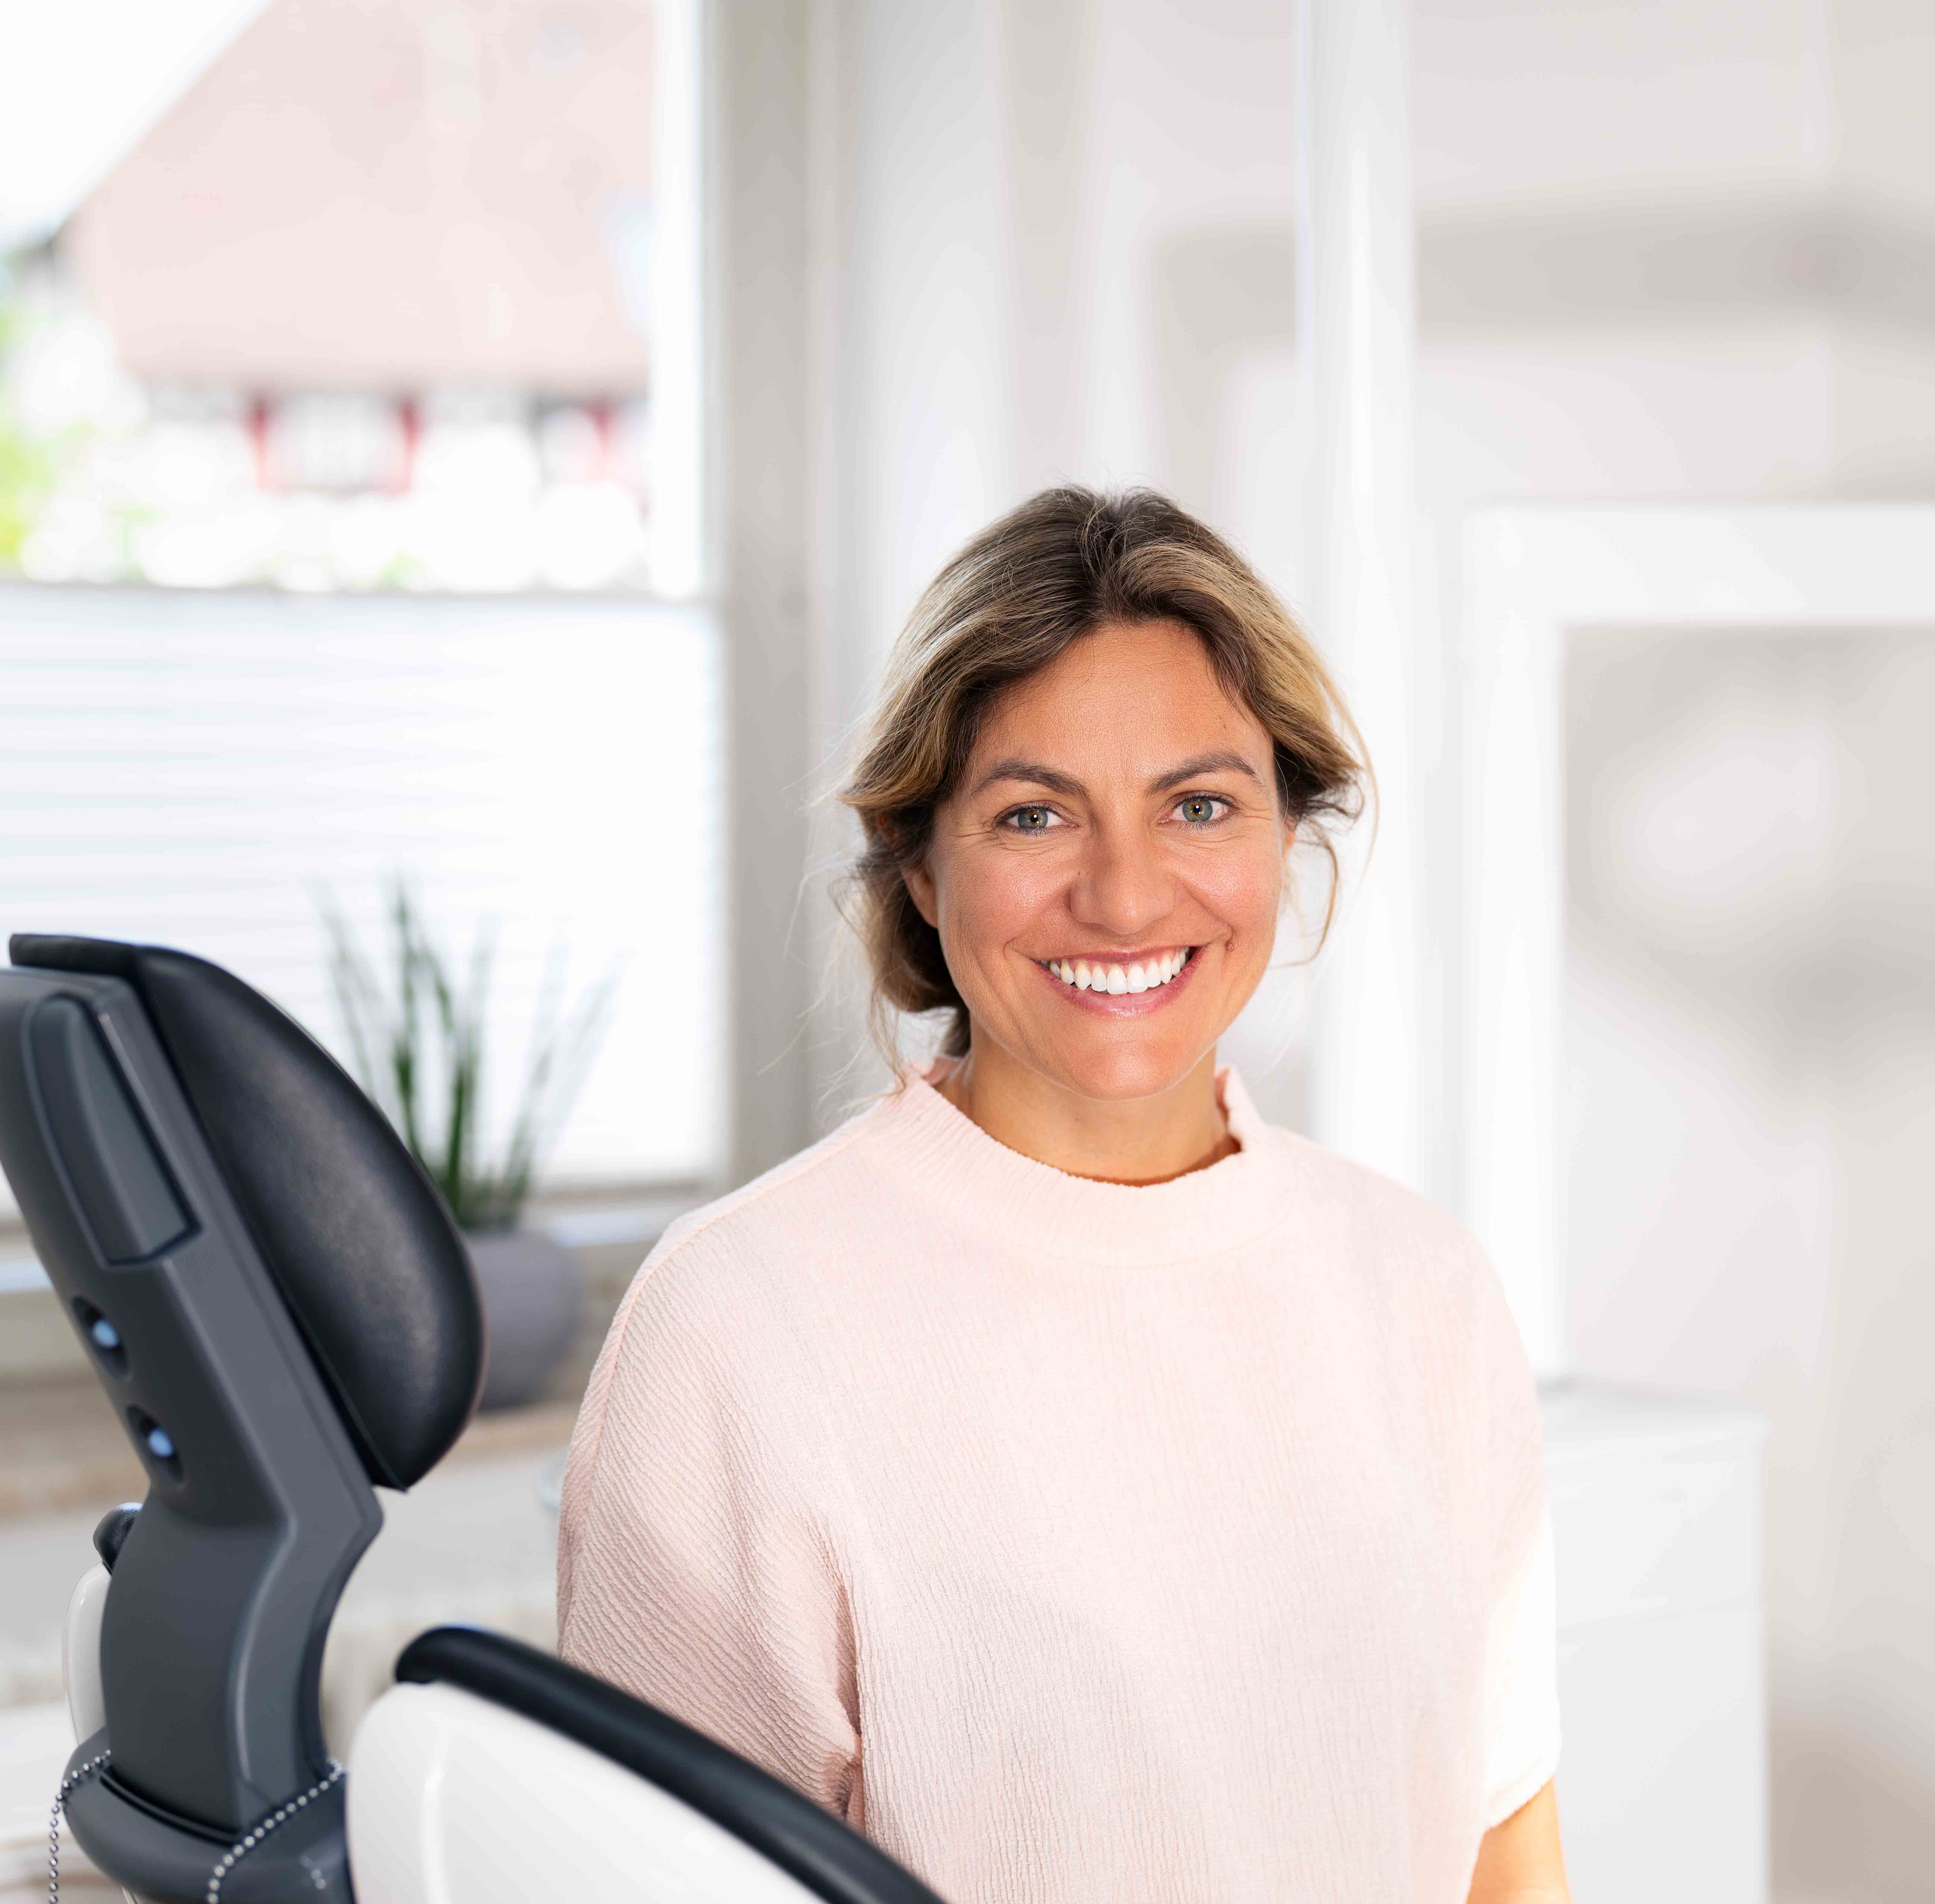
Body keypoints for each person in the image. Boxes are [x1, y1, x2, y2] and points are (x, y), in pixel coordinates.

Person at [556, 487, 1567, 1904]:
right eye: (1035, 816)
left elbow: (1504, 1855)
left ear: (1287, 832)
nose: (1126, 895)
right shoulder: (739, 1320)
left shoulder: (1421, 1286)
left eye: (1200, 805)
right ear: (918, 860)